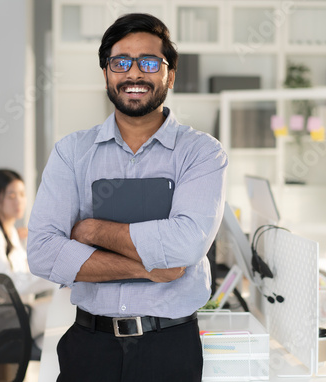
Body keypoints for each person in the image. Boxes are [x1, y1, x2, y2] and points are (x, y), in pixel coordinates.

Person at [27, 13, 228, 382]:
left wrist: (90, 230)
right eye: (121, 62)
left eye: (149, 62)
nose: (134, 74)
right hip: (89, 345)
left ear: (169, 74)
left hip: (169, 349)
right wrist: (149, 267)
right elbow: (41, 251)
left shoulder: (201, 153)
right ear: (106, 73)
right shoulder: (71, 153)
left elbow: (185, 245)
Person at [0, 168, 55, 350]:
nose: (19, 200)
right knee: (67, 311)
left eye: (22, 194)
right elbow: (9, 283)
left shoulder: (10, 233)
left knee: (60, 326)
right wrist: (57, 276)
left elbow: (24, 272)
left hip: (11, 314)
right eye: (12, 195)